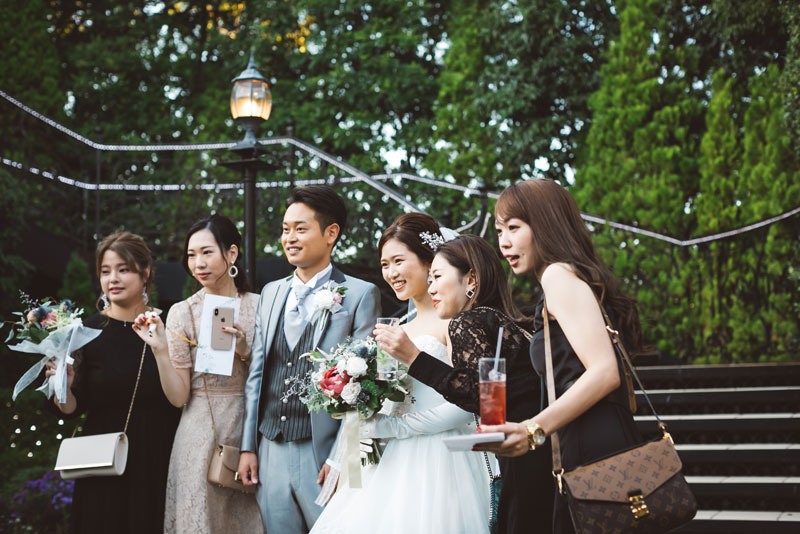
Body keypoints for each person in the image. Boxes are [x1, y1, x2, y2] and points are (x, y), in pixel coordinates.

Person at [481, 178, 644, 534]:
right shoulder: (565, 277)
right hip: (588, 437)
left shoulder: (558, 276)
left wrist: (532, 429)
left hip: (592, 441)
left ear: (545, 224)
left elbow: (604, 371)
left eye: (513, 227)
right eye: (499, 230)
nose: (503, 241)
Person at [312, 214, 489, 534]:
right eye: (384, 264)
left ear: (429, 262)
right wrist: (349, 468)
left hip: (440, 461)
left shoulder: (454, 323)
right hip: (385, 462)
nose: (391, 272)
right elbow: (370, 408)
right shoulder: (396, 329)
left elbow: (469, 403)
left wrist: (398, 428)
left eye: (398, 261)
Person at [376, 234, 555, 534]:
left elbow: (477, 396)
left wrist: (414, 358)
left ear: (470, 278)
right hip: (540, 450)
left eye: (437, 277)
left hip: (521, 458)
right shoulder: (509, 323)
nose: (431, 288)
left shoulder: (466, 322)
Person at [236, 185, 381, 533]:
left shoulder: (360, 294)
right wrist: (248, 447)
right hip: (271, 447)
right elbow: (257, 375)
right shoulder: (271, 292)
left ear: (331, 233)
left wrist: (345, 460)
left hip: (325, 451)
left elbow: (366, 391)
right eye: (286, 229)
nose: (289, 238)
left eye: (301, 229)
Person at [131, 214, 263, 533]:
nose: (198, 263)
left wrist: (245, 350)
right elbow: (179, 397)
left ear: (231, 254)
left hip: (251, 431)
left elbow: (272, 378)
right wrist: (160, 349)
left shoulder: (261, 306)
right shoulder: (182, 312)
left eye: (207, 252)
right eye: (191, 255)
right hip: (199, 432)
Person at [45, 232, 181, 533]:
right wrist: (63, 386)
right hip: (101, 460)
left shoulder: (169, 326)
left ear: (145, 273)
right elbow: (71, 408)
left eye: (124, 269)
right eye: (105, 271)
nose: (113, 279)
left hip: (156, 456)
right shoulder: (85, 332)